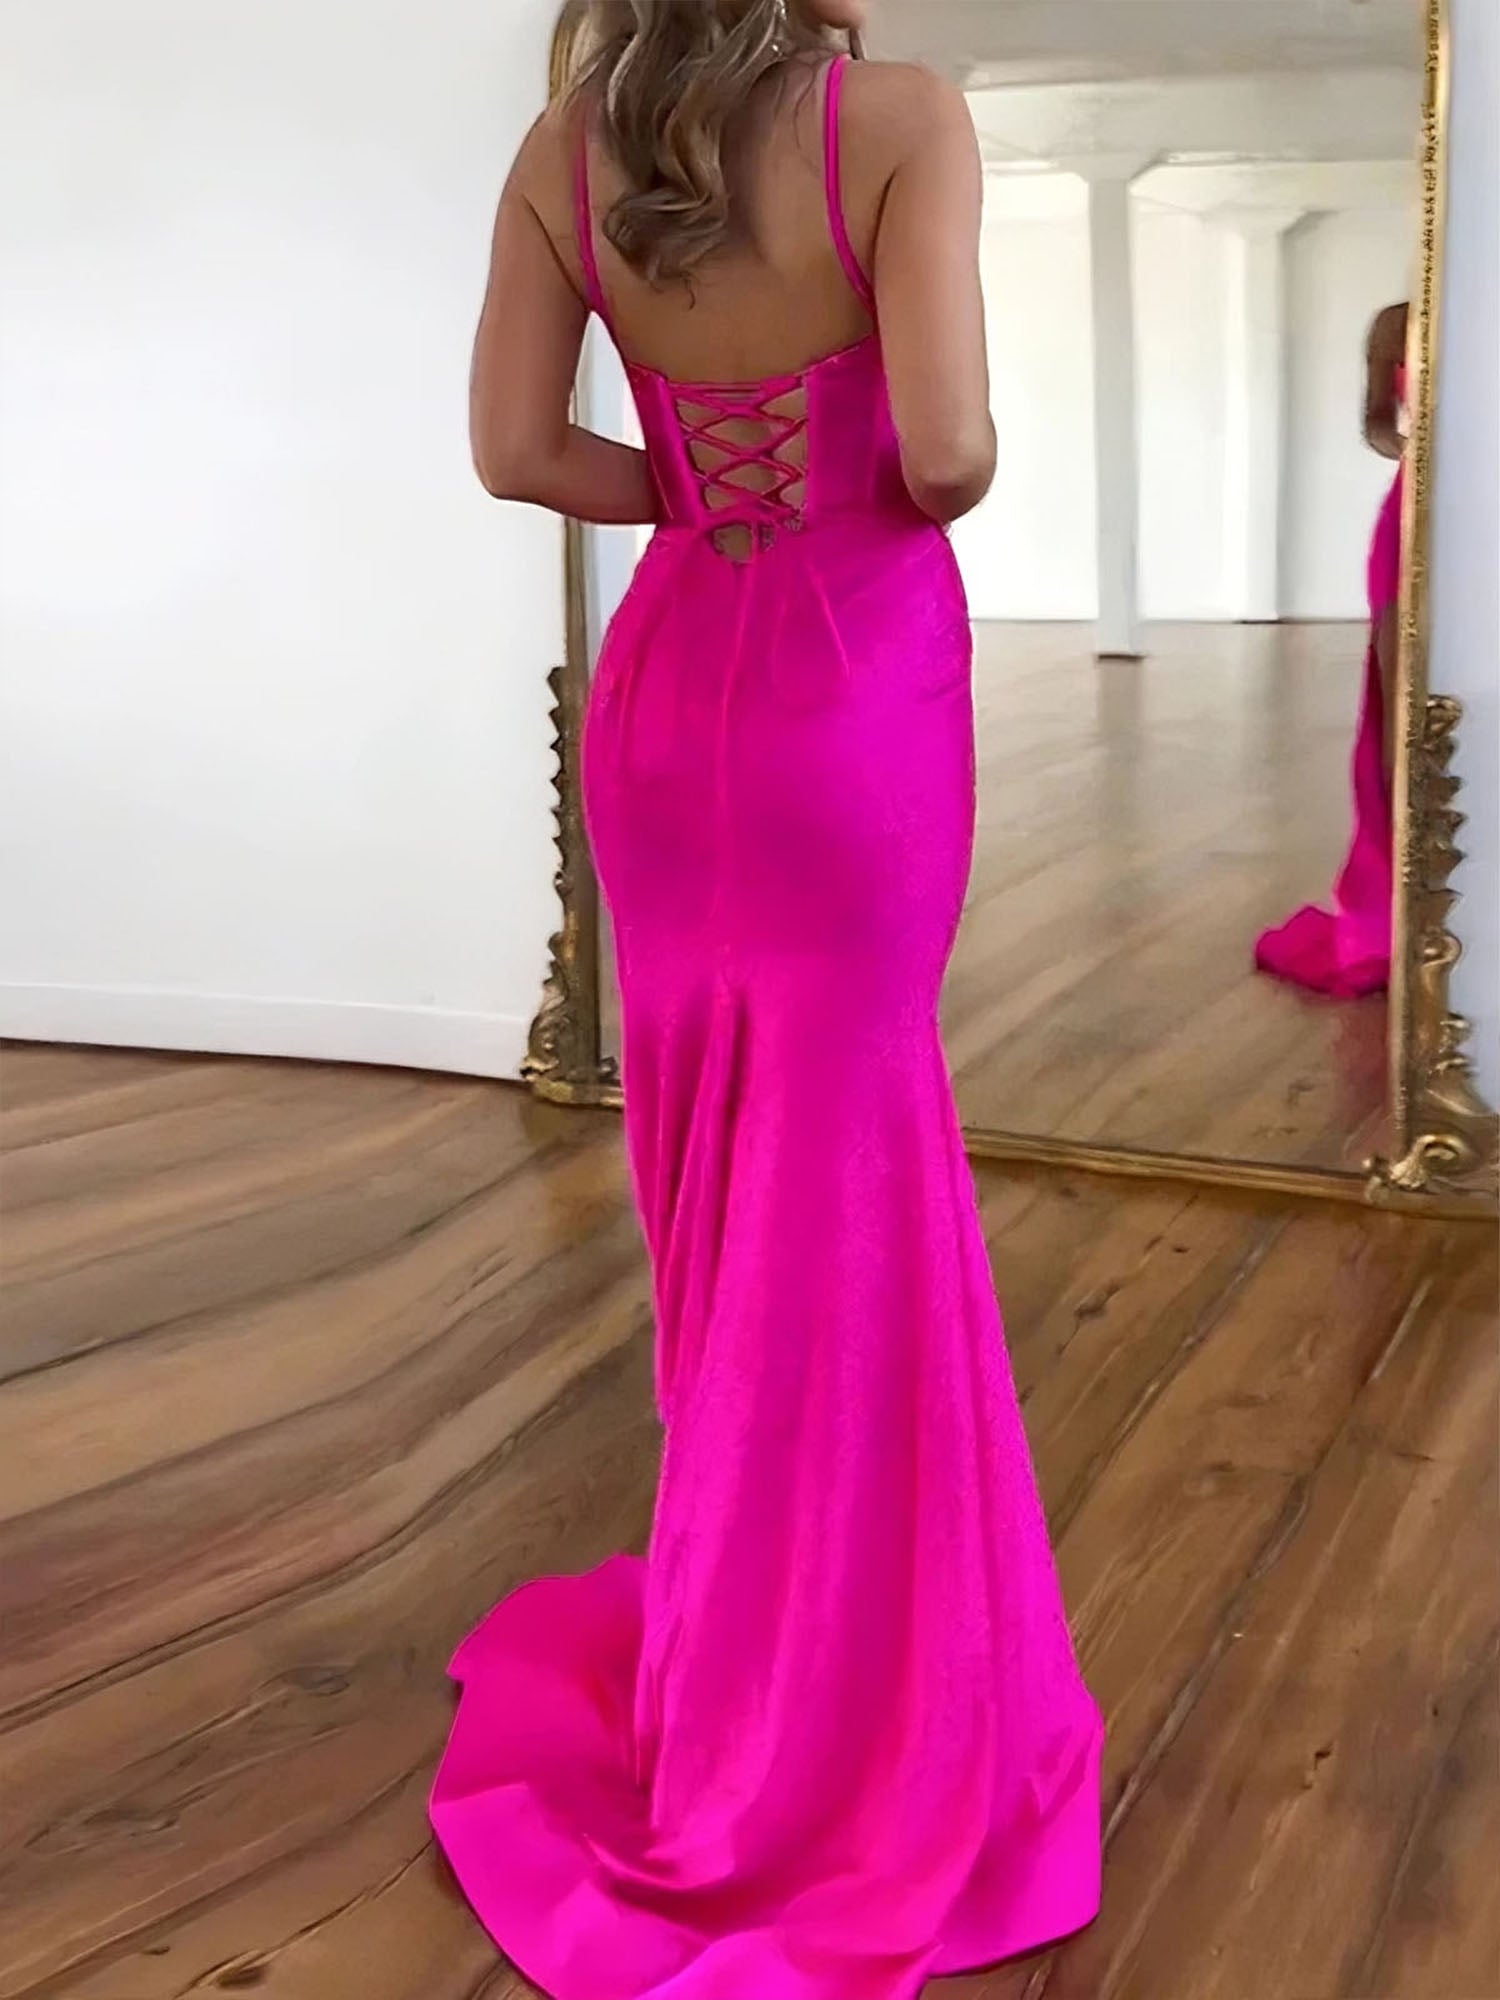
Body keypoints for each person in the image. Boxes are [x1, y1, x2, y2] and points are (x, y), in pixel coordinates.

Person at [429, 6, 1104, 1994]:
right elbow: (951, 454)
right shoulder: (897, 119)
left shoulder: (565, 148)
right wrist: (835, 468)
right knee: (851, 1163)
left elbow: (513, 452)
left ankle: (748, 1635)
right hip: (850, 690)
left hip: (673, 694)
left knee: (713, 1166)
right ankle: (841, 1701)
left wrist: (693, 495)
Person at [1254, 300, 1409, 999]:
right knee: (1397, 711)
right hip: (1413, 518)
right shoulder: (1396, 323)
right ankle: (1394, 899)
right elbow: (1376, 424)